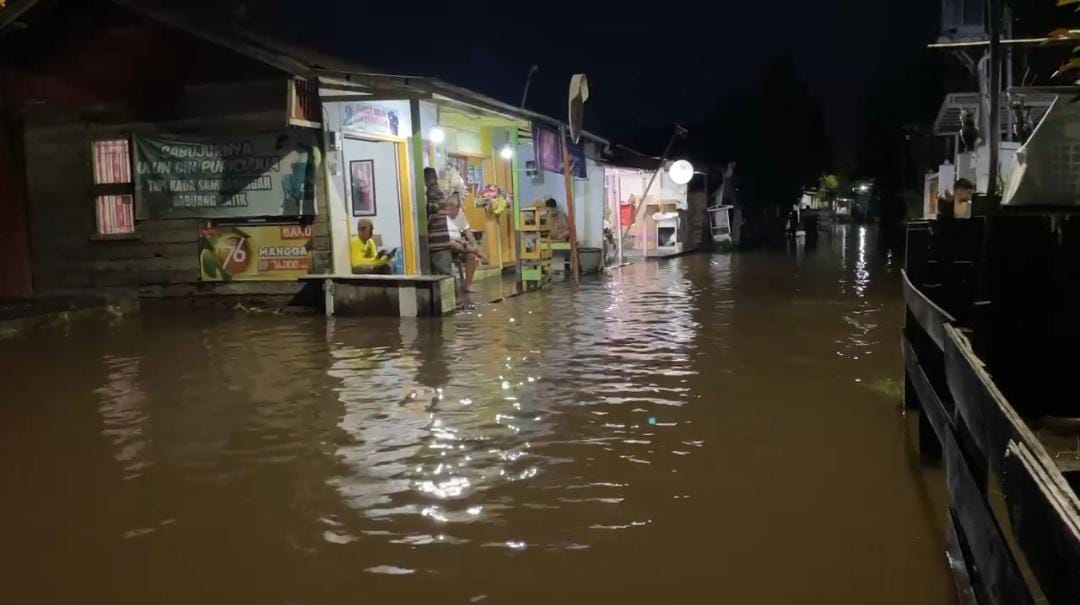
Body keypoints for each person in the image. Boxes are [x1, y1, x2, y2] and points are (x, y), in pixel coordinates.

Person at [447, 193, 486, 292]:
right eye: (449, 208)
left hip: (461, 245)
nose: (451, 211)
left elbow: (468, 232)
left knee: (471, 256)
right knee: (455, 244)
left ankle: (468, 285)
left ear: (458, 207)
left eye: (454, 208)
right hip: (448, 245)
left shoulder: (460, 215)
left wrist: (475, 244)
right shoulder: (443, 215)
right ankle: (477, 251)